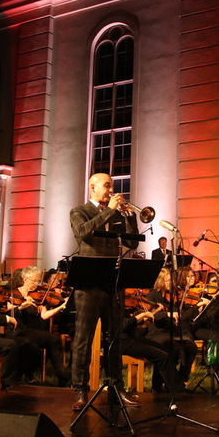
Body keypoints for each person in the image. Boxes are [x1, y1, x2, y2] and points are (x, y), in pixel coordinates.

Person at [69, 172, 139, 411]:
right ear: (92, 187)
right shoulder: (79, 211)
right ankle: (79, 389)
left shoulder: (115, 213)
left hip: (113, 282)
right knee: (83, 339)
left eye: (111, 186)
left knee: (115, 339)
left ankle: (116, 387)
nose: (111, 190)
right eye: (107, 185)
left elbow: (133, 243)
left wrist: (129, 217)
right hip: (88, 284)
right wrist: (109, 210)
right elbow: (82, 233)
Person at [11, 265, 71, 387]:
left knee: (52, 340)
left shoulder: (37, 295)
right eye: (34, 280)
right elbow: (10, 312)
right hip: (21, 330)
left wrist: (60, 307)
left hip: (36, 333)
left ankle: (62, 377)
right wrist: (22, 306)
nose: (37, 283)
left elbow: (44, 315)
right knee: (52, 339)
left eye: (38, 281)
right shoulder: (14, 294)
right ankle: (63, 377)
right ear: (25, 279)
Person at [146, 266, 202, 385]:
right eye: (167, 280)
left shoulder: (171, 296)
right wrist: (168, 314)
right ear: (161, 281)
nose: (170, 283)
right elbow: (154, 316)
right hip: (157, 333)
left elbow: (180, 314)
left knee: (190, 347)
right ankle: (160, 384)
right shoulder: (152, 296)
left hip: (171, 332)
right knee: (173, 349)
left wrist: (194, 308)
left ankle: (182, 378)